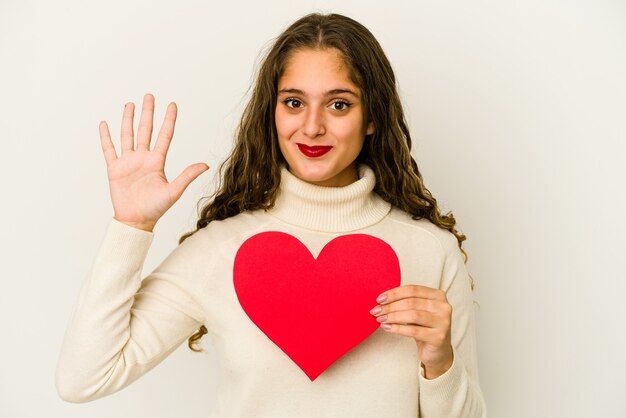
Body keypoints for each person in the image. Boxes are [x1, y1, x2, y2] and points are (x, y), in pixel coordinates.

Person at [56, 12, 486, 417]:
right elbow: (84, 379)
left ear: (372, 116)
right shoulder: (220, 249)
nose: (312, 126)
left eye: (339, 104)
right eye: (294, 103)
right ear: (273, 112)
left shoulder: (431, 250)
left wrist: (439, 359)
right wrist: (131, 227)